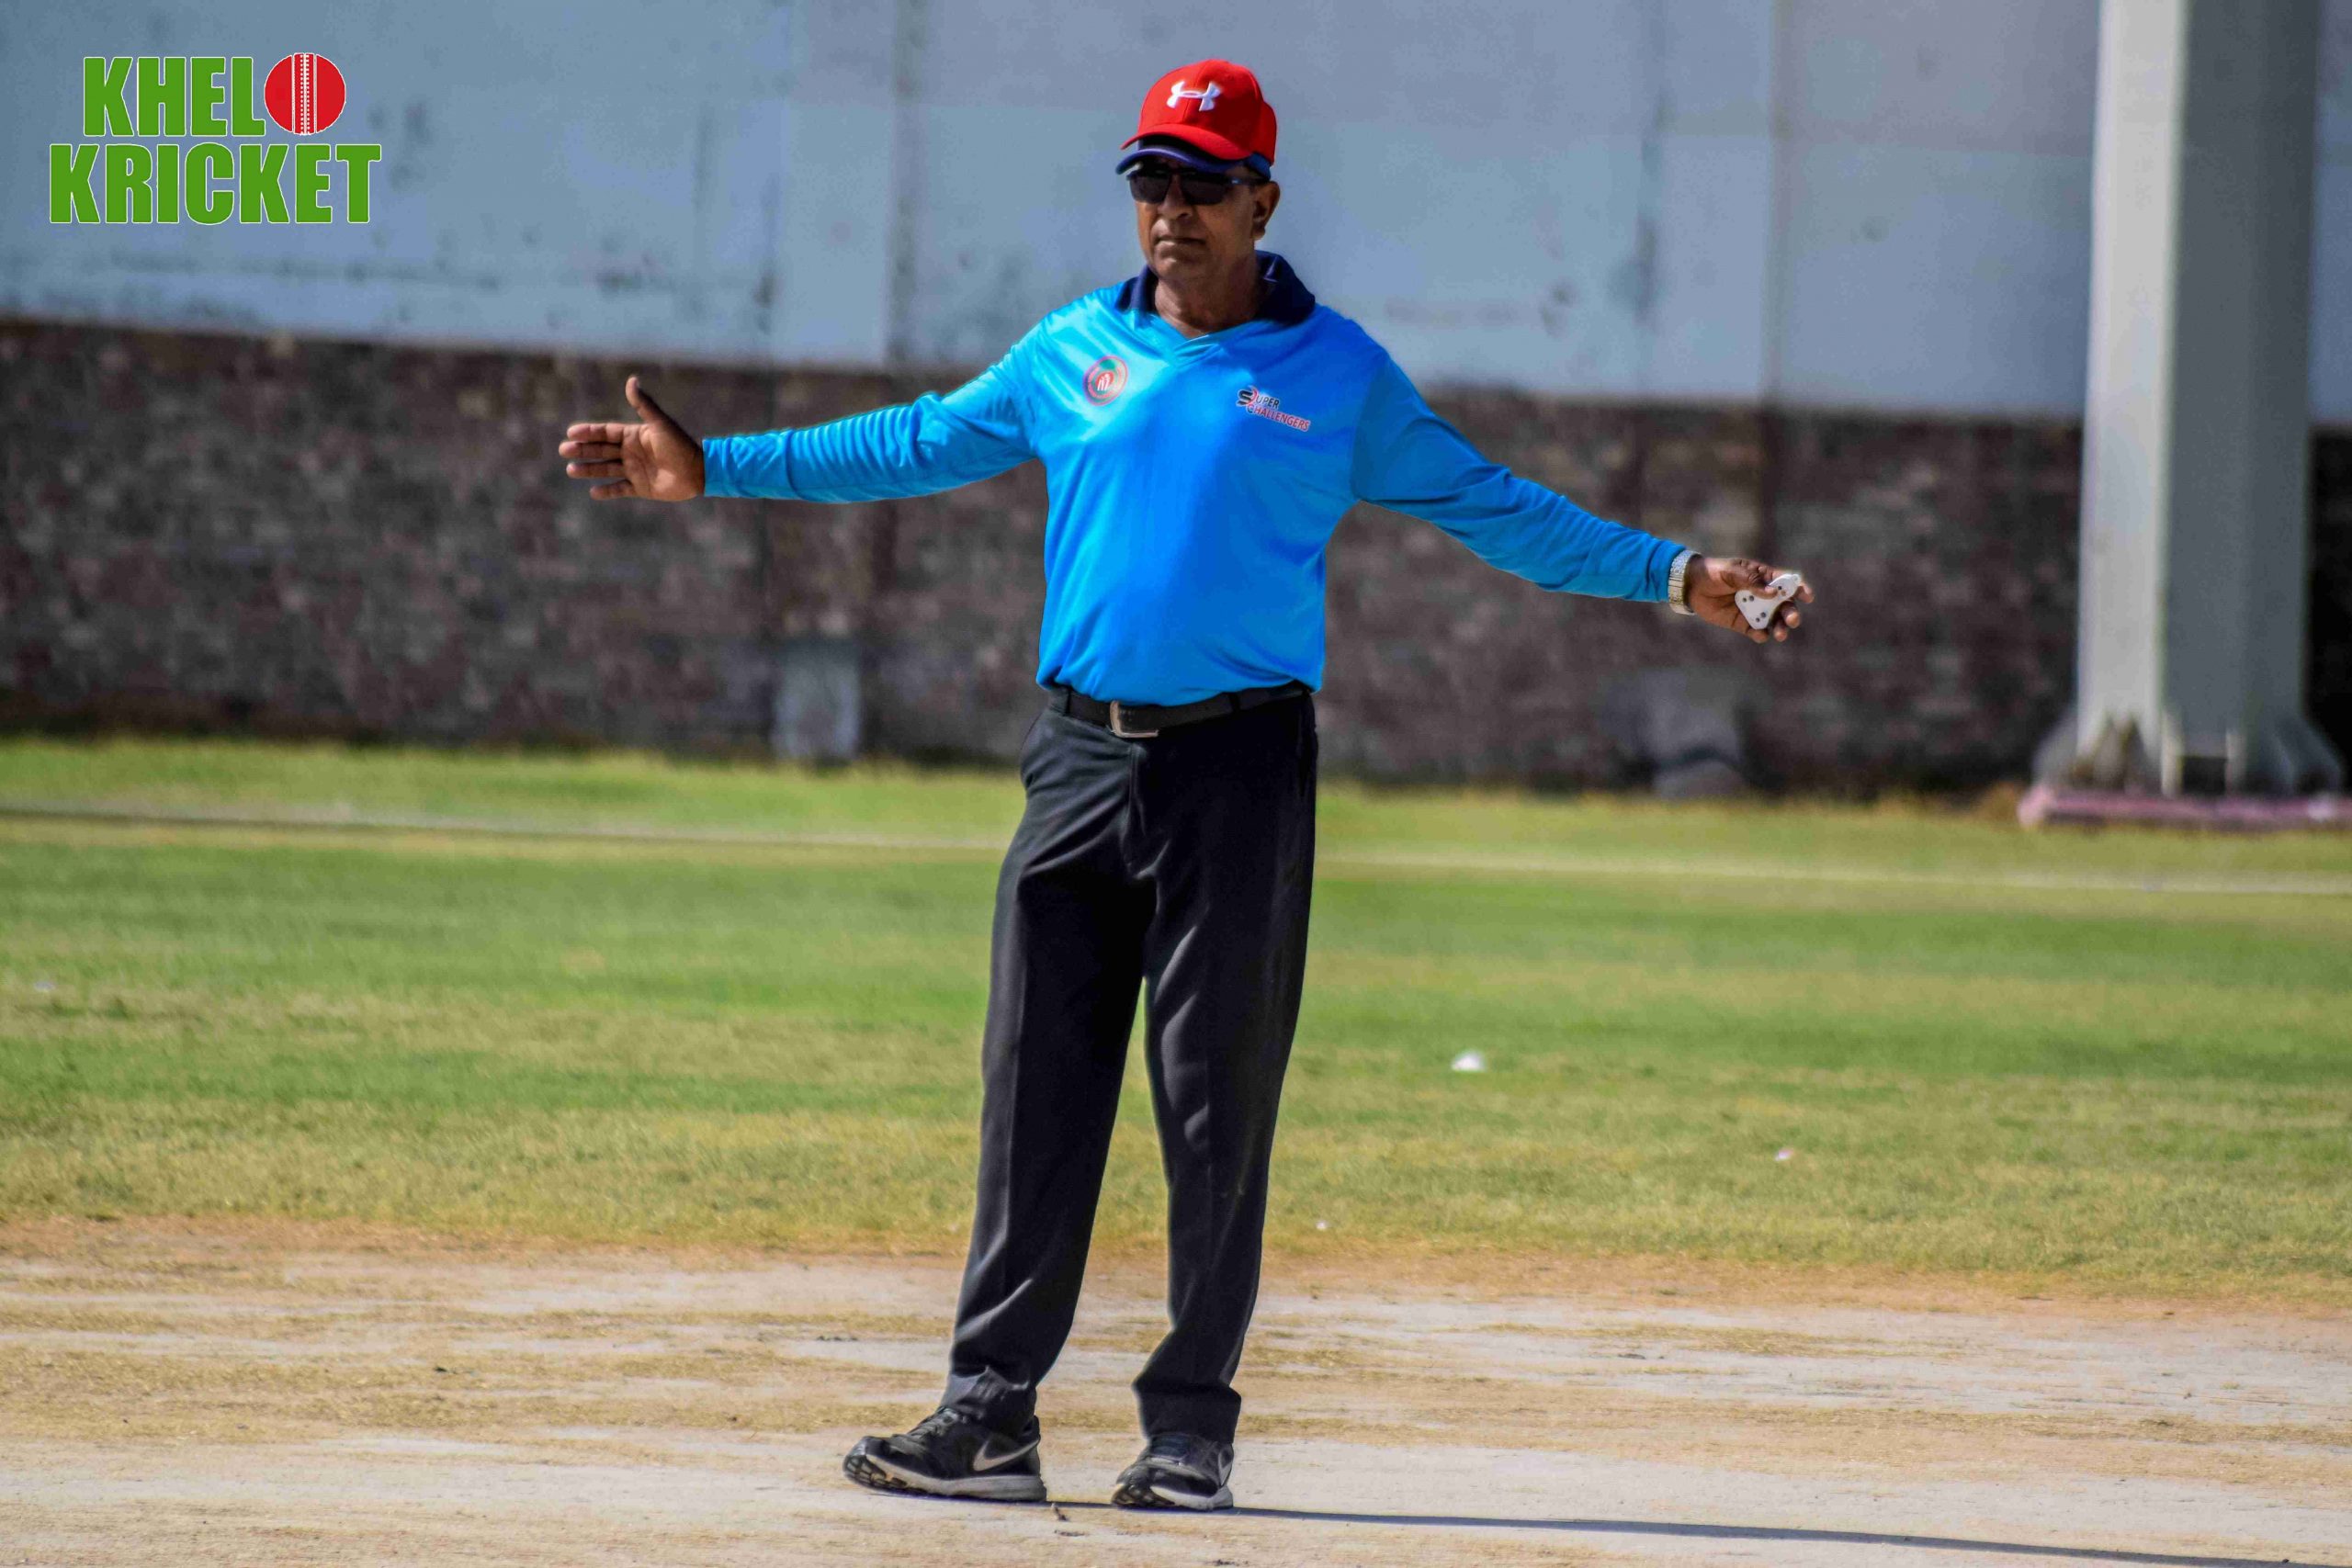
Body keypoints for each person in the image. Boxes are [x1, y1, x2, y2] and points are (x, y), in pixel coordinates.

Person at [556, 57, 1811, 1513]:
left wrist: (1679, 575)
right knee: (1034, 1087)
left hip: (1237, 771)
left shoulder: (1337, 377)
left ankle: (1190, 1430)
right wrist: (714, 468)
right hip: (1077, 763)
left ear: (1262, 201)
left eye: (1204, 185)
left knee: (1215, 1106)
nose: (1172, 210)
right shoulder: (1071, 350)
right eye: (1152, 181)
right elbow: (913, 440)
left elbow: (1499, 510)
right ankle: (992, 1412)